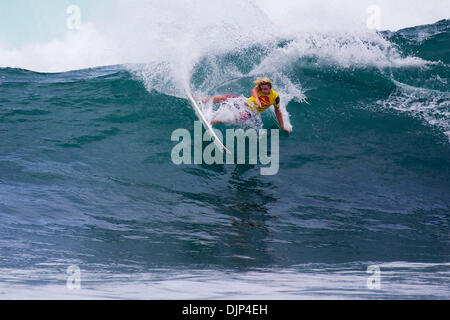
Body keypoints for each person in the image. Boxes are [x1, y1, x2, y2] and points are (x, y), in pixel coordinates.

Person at [200, 78, 291, 133]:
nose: (263, 91)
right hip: (244, 102)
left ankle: (210, 121)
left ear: (270, 88)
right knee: (223, 98)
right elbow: (253, 91)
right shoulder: (258, 89)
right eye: (262, 89)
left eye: (266, 89)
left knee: (230, 117)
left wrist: (282, 126)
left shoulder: (275, 97)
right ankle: (200, 101)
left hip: (249, 112)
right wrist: (256, 99)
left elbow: (277, 111)